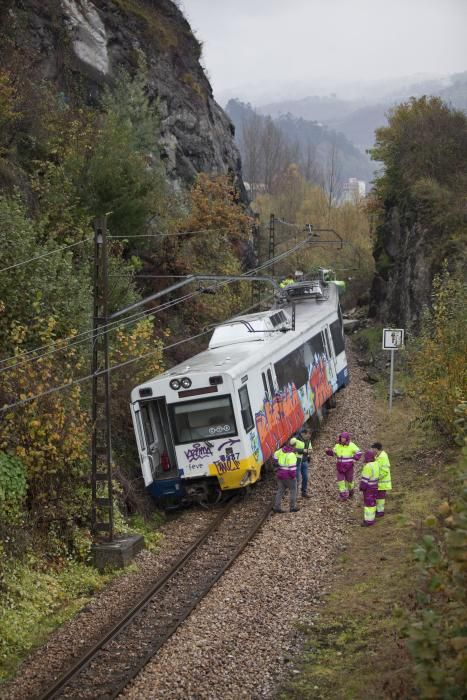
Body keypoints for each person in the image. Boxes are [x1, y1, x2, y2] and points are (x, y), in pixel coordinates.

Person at [325, 431, 362, 500]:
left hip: (349, 467)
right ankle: (343, 495)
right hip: (340, 467)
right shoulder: (337, 445)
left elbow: (359, 452)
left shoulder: (351, 445)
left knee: (349, 481)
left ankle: (351, 490)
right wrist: (328, 451)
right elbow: (333, 453)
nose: (342, 439)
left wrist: (354, 459)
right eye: (341, 437)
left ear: (347, 438)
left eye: (344, 438)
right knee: (340, 481)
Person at [273, 437, 300, 513]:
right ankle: (292, 507)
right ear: (294, 446)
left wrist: (276, 463)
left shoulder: (281, 451)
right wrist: (293, 476)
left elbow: (275, 455)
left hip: (280, 474)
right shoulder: (292, 455)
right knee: (293, 490)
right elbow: (292, 468)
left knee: (280, 491)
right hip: (288, 476)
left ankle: (276, 507)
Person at [359, 450, 380, 526]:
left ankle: (368, 521)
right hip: (375, 486)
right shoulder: (376, 464)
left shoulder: (368, 466)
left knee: (368, 504)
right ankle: (372, 518)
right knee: (373, 502)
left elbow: (365, 480)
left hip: (369, 488)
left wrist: (362, 488)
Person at [371, 442, 392, 517]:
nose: (372, 450)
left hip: (383, 482)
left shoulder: (383, 457)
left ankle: (380, 512)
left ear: (376, 449)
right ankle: (378, 510)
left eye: (373, 449)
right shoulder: (378, 456)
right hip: (379, 482)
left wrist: (377, 478)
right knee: (378, 497)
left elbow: (385, 471)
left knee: (380, 498)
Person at [295, 427, 312, 498]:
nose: (309, 437)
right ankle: (295, 494)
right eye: (307, 435)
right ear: (303, 434)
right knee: (298, 479)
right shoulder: (295, 440)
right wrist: (302, 450)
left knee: (305, 477)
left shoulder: (308, 440)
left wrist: (310, 452)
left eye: (310, 435)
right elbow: (292, 449)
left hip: (304, 461)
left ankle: (303, 492)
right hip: (297, 462)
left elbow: (310, 448)